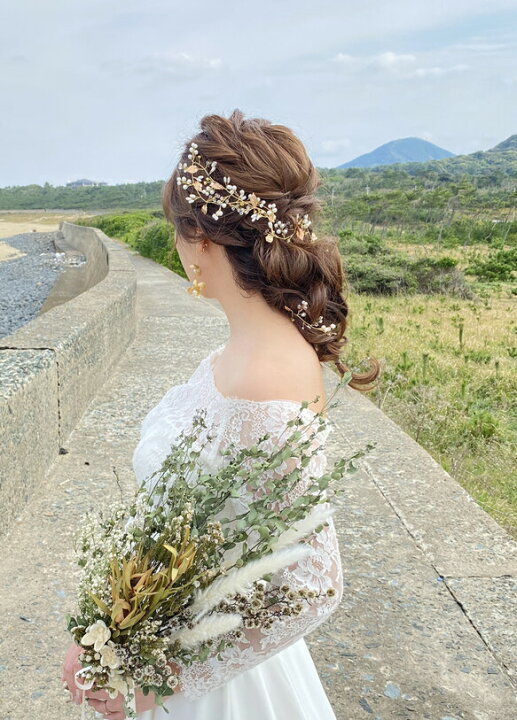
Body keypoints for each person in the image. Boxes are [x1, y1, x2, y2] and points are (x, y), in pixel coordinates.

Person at [62, 108, 379, 719]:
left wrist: (164, 678)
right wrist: (110, 631)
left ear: (199, 241)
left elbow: (314, 582)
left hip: (223, 689)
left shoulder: (265, 375)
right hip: (179, 632)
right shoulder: (245, 348)